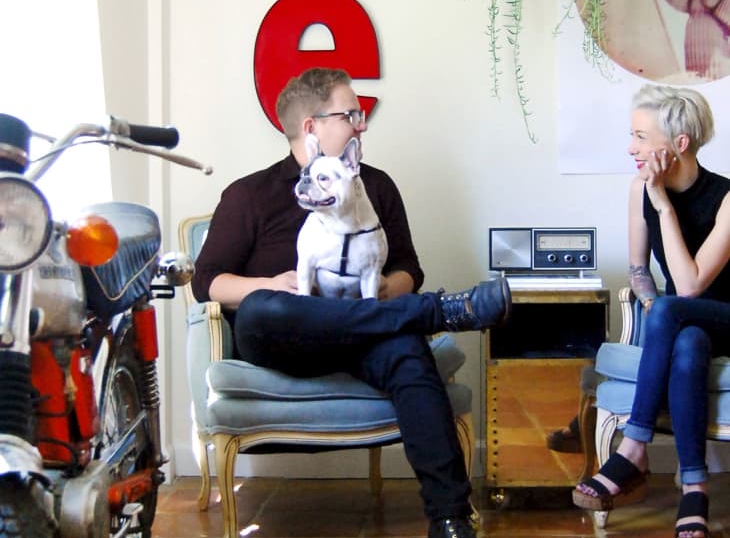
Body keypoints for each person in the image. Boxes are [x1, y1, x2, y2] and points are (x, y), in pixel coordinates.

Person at [192, 67, 511, 538]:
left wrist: (387, 289)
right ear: (312, 128)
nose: (361, 125)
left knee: (408, 354)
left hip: (362, 338)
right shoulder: (248, 194)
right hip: (284, 336)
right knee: (265, 307)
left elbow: (408, 269)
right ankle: (440, 311)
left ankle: (449, 518)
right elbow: (207, 281)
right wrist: (272, 286)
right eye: (351, 115)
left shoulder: (375, 187)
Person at [573, 83, 730, 538]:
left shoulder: (725, 199)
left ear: (679, 144)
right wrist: (651, 305)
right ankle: (694, 489)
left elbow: (691, 286)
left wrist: (663, 204)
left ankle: (634, 447)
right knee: (686, 339)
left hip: (726, 315)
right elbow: (639, 270)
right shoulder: (637, 189)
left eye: (641, 137)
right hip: (689, 326)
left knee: (671, 310)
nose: (631, 148)